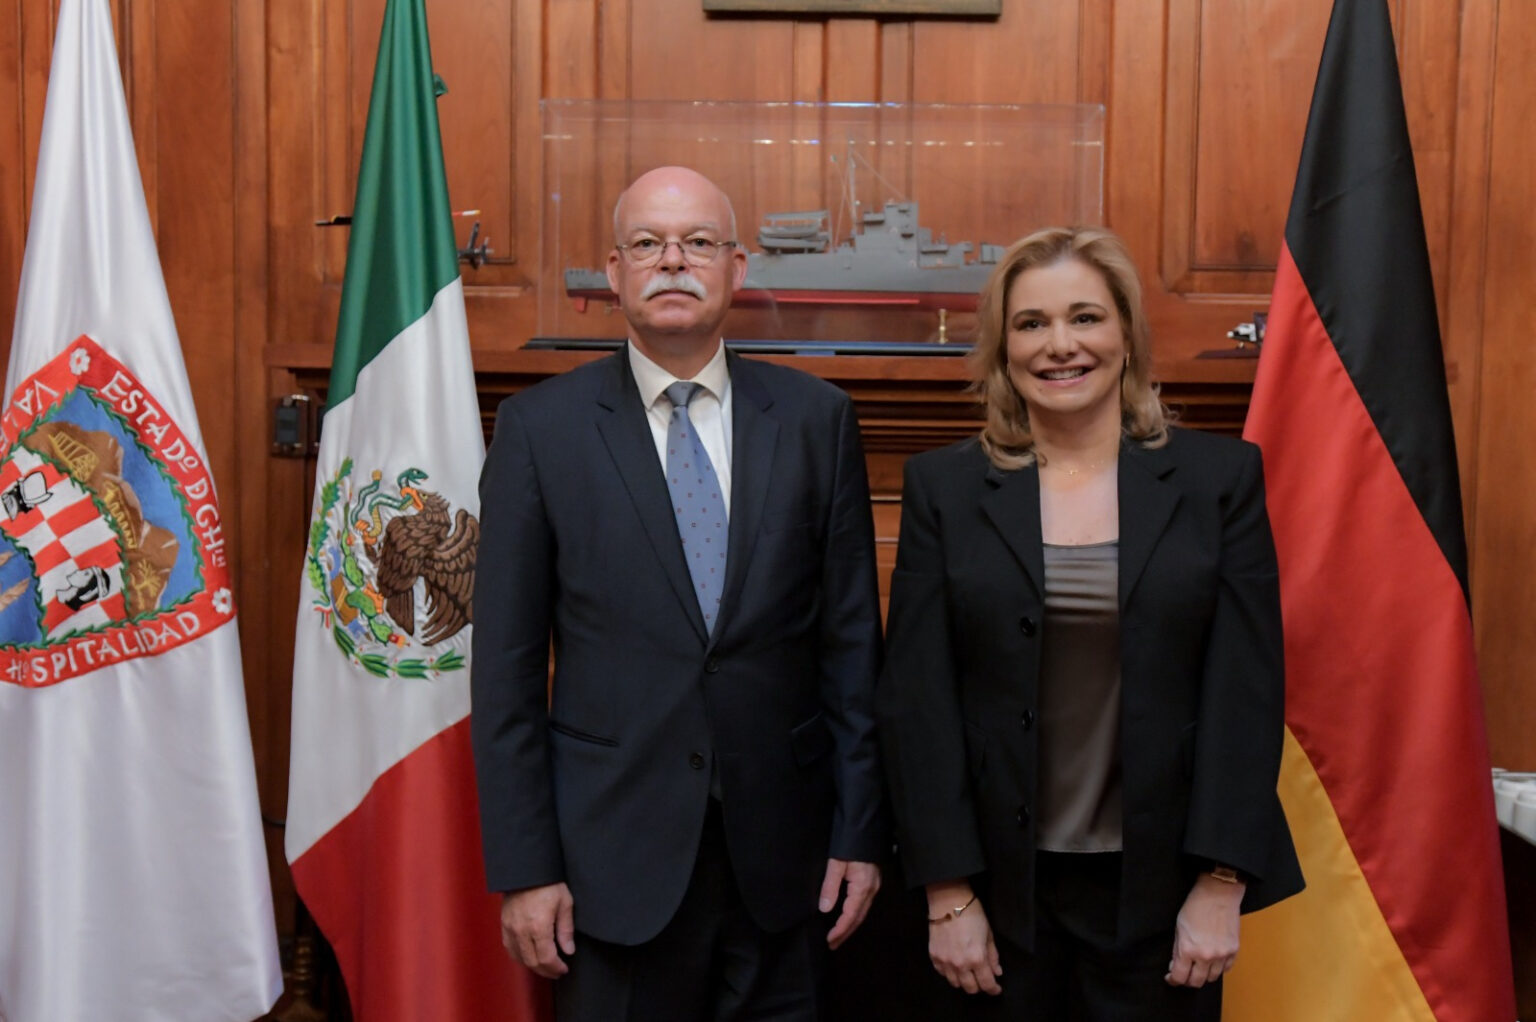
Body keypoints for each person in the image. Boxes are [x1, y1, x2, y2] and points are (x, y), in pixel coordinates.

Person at [470, 166, 886, 1021]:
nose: (673, 262)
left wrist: (860, 833)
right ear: (613, 272)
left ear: (738, 267)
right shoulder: (539, 431)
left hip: (788, 866)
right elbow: (505, 674)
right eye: (647, 245)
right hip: (608, 872)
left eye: (698, 243)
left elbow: (851, 652)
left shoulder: (816, 421)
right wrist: (526, 868)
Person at [877, 226, 1303, 1020]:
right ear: (1002, 348)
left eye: (1085, 317)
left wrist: (1221, 881)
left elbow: (1245, 691)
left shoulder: (1219, 481)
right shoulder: (945, 488)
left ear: (1126, 335)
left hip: (1161, 898)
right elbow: (917, 702)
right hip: (994, 901)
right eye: (1031, 324)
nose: (1059, 345)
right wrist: (946, 893)